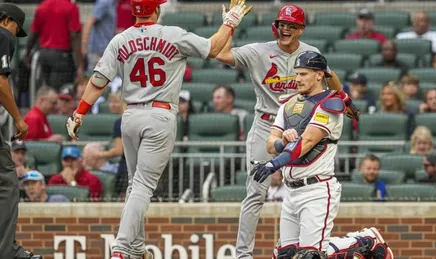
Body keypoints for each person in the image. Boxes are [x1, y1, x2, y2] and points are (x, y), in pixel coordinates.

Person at [65, 0, 252, 257]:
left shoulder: (120, 40)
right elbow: (213, 48)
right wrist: (230, 22)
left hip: (130, 115)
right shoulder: (172, 34)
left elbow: (98, 81)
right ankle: (120, 249)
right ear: (157, 10)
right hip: (159, 115)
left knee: (134, 185)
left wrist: (79, 113)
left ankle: (137, 248)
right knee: (142, 186)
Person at [215, 6, 359, 258]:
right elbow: (220, 53)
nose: (285, 29)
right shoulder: (259, 50)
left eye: (291, 25)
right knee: (256, 191)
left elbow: (331, 76)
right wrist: (231, 24)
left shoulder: (311, 54)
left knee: (305, 183)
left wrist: (343, 98)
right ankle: (243, 255)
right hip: (267, 122)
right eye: (282, 24)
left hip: (303, 122)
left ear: (301, 29)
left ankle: (325, 242)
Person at [251, 51, 390, 259]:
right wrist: (282, 142)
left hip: (317, 189)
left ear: (319, 75)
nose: (298, 79)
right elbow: (270, 143)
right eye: (297, 73)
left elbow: (306, 142)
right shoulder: (287, 105)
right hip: (291, 191)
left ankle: (365, 240)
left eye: (304, 74)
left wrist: (273, 165)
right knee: (286, 255)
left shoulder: (331, 103)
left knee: (310, 256)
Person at [0, 3, 42, 259]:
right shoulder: (3, 35)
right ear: (7, 21)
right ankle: (6, 252)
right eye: (17, 28)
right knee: (6, 183)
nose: (16, 34)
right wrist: (19, 119)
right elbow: (0, 81)